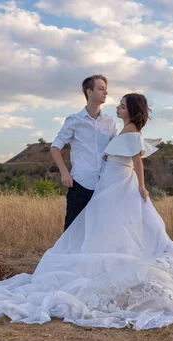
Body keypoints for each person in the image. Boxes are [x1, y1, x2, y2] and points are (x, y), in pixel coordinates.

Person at [0, 93, 173, 330]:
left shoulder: (132, 134)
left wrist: (142, 187)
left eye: (121, 105)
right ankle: (103, 263)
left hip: (121, 184)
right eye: (113, 100)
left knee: (119, 225)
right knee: (100, 225)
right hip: (107, 183)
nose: (115, 106)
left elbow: (138, 162)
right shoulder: (118, 130)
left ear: (131, 111)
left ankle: (117, 265)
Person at [51, 74, 117, 230]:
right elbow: (55, 147)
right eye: (101, 89)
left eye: (106, 89)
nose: (105, 92)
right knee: (72, 230)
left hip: (103, 184)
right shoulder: (74, 120)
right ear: (89, 92)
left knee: (100, 230)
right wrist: (64, 173)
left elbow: (115, 150)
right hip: (80, 183)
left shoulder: (110, 122)